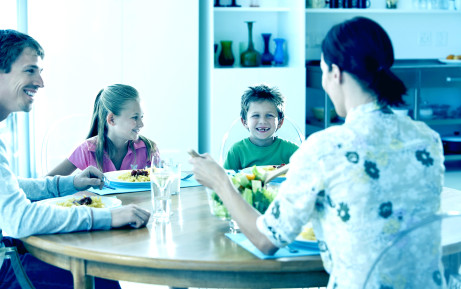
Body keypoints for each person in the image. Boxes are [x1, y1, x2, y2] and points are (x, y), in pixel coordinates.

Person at [190, 17, 445, 289]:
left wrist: (220, 181)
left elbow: (267, 240)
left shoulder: (324, 149)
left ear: (335, 73)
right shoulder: (428, 138)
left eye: (323, 72)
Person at [0, 29, 150, 289]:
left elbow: (10, 187)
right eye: (30, 70)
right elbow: (19, 219)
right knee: (101, 279)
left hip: (11, 254)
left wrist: (69, 184)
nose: (40, 82)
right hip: (8, 267)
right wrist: (108, 217)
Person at [47, 84, 160, 176]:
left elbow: (161, 186)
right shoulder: (87, 150)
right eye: (135, 117)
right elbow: (47, 182)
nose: (141, 124)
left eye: (141, 117)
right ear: (111, 119)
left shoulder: (149, 149)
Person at [223, 84, 299, 171]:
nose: (262, 121)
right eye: (256, 115)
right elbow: (224, 179)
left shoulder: (293, 152)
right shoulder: (236, 151)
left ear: (280, 122)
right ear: (245, 122)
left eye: (269, 115)